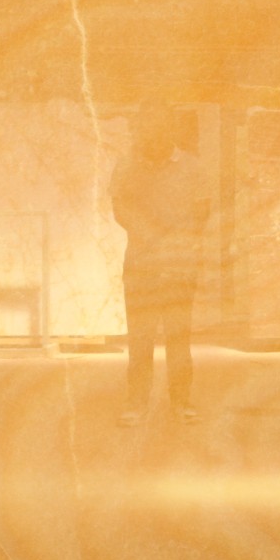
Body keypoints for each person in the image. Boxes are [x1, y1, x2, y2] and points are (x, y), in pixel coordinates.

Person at [111, 106, 210, 425]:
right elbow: (120, 208)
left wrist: (176, 240)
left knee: (178, 337)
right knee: (140, 338)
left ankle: (181, 401)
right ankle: (136, 402)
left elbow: (202, 210)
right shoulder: (126, 166)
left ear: (170, 131)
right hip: (141, 265)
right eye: (143, 131)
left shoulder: (193, 168)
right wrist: (149, 235)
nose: (148, 137)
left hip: (179, 265)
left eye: (156, 129)